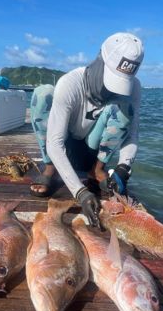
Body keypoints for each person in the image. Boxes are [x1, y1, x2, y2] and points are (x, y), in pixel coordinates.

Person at [29, 32, 143, 229]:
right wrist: (79, 192)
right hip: (63, 144)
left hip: (93, 151)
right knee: (43, 94)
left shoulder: (134, 89)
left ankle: (96, 170)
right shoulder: (70, 83)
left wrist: (124, 167)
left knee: (126, 110)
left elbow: (132, 134)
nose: (113, 91)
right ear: (99, 59)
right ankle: (50, 168)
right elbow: (55, 144)